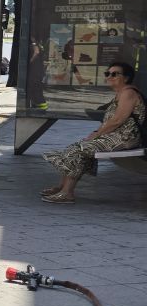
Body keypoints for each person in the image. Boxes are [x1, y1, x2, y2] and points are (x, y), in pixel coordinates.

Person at [40, 62, 144, 204]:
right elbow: (111, 120)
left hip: (125, 138)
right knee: (76, 146)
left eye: (115, 74)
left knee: (79, 150)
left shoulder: (128, 93)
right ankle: (62, 188)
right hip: (116, 136)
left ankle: (67, 192)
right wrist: (97, 132)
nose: (110, 77)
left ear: (126, 78)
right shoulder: (120, 93)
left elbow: (118, 120)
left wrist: (97, 134)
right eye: (108, 74)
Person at [25, 39, 48, 110]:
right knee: (36, 90)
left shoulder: (35, 46)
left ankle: (41, 107)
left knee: (35, 90)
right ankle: (38, 105)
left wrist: (30, 60)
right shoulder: (39, 46)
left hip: (35, 73)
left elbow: (36, 52)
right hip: (38, 72)